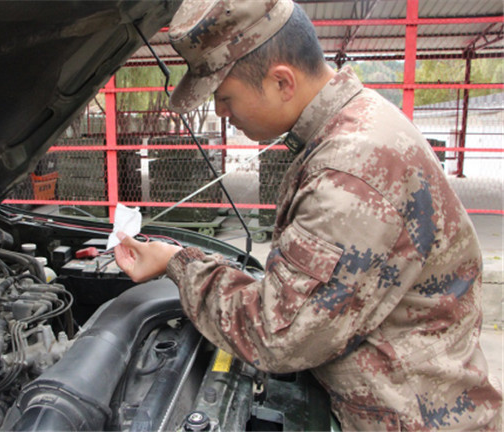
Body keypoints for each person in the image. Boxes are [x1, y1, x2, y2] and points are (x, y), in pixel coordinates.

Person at [114, 0, 503, 429]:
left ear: (282, 81)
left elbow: (276, 335)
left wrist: (177, 263)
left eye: (225, 98)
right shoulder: (350, 125)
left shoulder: (351, 169)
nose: (222, 113)